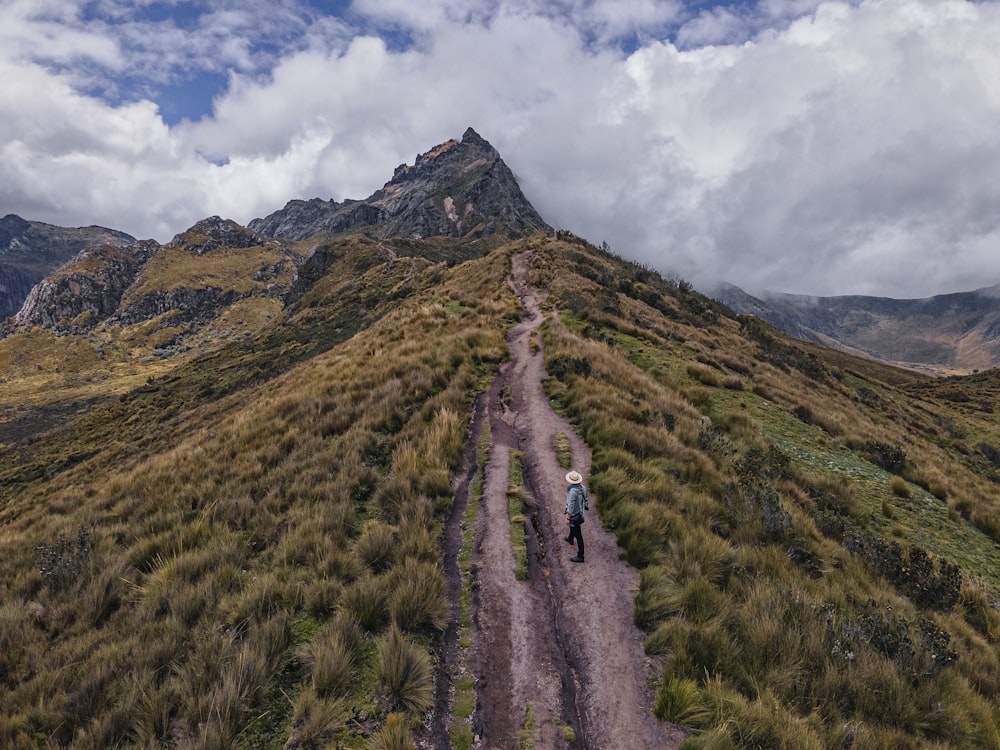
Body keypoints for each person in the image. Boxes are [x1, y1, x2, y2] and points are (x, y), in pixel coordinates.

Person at [563, 470, 588, 563]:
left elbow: (570, 506)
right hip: (581, 514)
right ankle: (570, 538)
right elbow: (586, 499)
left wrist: (568, 518)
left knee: (579, 535)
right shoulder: (583, 487)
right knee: (573, 528)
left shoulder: (572, 491)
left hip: (575, 516)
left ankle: (580, 556)